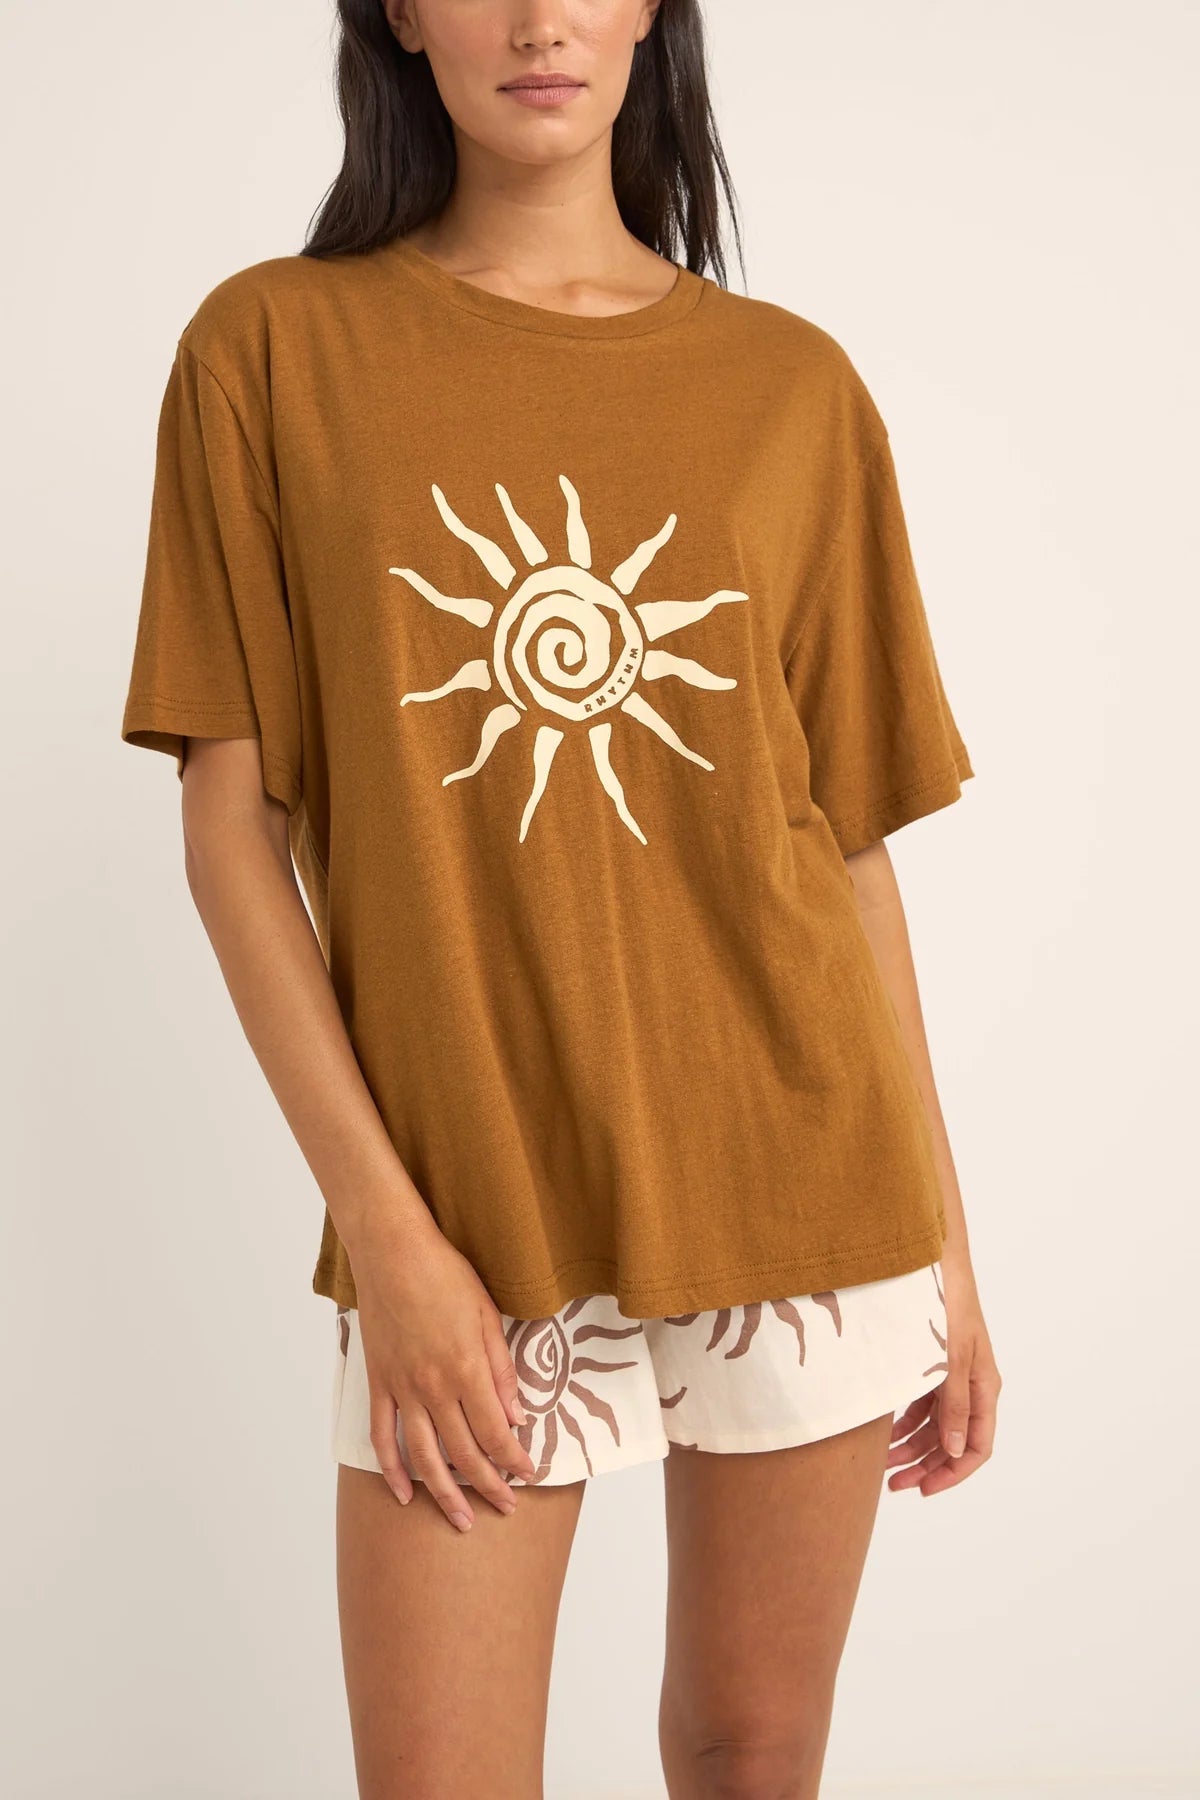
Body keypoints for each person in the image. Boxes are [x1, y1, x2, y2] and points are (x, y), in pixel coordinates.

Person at [119, 2, 1002, 1795]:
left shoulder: (792, 388)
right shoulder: (270, 353)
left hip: (807, 1182)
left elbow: (846, 853)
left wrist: (952, 1261)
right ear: (396, 12)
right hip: (467, 1214)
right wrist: (390, 1241)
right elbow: (230, 835)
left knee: (752, 1756)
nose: (540, 21)